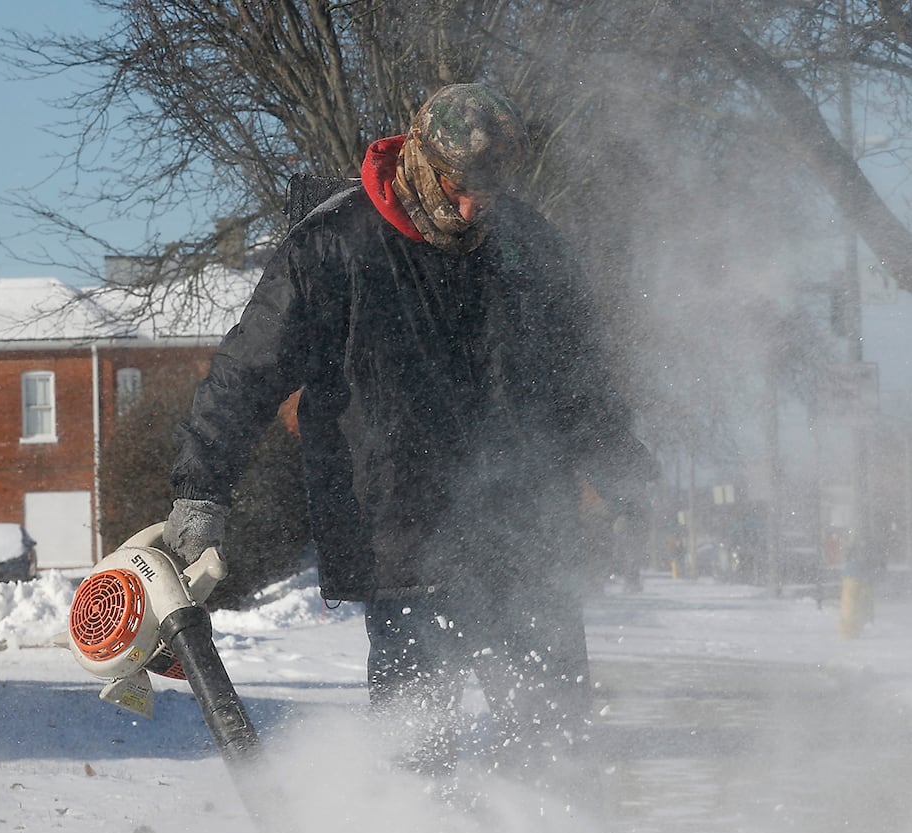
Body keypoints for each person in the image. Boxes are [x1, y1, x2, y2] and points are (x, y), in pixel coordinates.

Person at [165, 81, 654, 759]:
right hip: (406, 540)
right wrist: (201, 488)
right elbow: (246, 373)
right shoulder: (333, 248)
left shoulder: (528, 246)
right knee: (423, 749)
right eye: (458, 184)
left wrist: (627, 475)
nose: (472, 204)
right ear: (420, 160)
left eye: (488, 187)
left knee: (556, 741)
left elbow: (577, 383)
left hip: (525, 536)